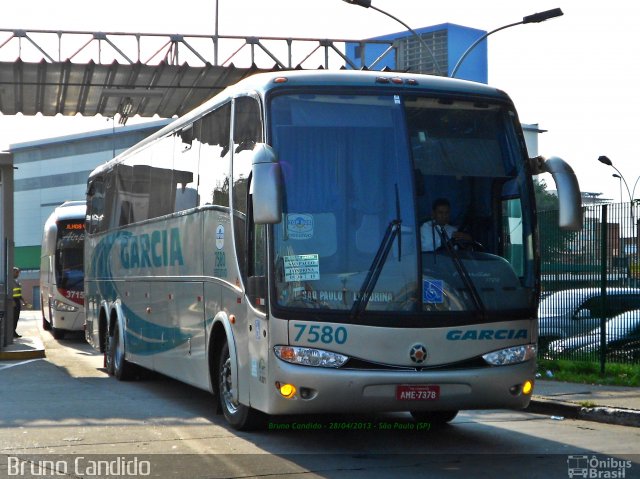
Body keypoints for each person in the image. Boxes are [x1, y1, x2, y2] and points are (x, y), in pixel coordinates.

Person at [12, 267, 27, 338]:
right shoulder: (10, 281)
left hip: (17, 301)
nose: (18, 274)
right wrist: (12, 301)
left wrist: (24, 301)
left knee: (16, 318)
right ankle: (12, 333)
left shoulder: (16, 281)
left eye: (18, 272)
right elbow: (9, 293)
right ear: (12, 272)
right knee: (13, 318)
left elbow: (19, 294)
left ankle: (13, 332)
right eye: (17, 272)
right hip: (13, 301)